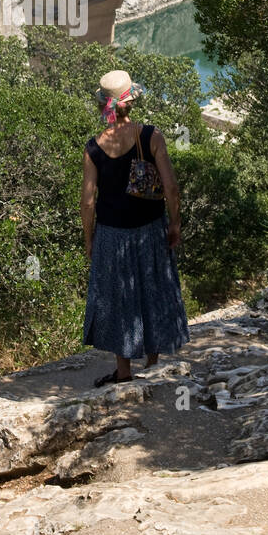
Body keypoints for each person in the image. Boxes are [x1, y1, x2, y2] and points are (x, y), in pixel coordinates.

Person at [81, 69, 189, 385]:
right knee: (153, 290)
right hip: (150, 230)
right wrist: (175, 223)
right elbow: (171, 187)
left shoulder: (93, 148)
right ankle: (154, 366)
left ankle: (124, 372)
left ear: (105, 106)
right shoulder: (151, 136)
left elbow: (88, 202)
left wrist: (89, 239)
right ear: (131, 103)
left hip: (111, 235)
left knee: (118, 299)